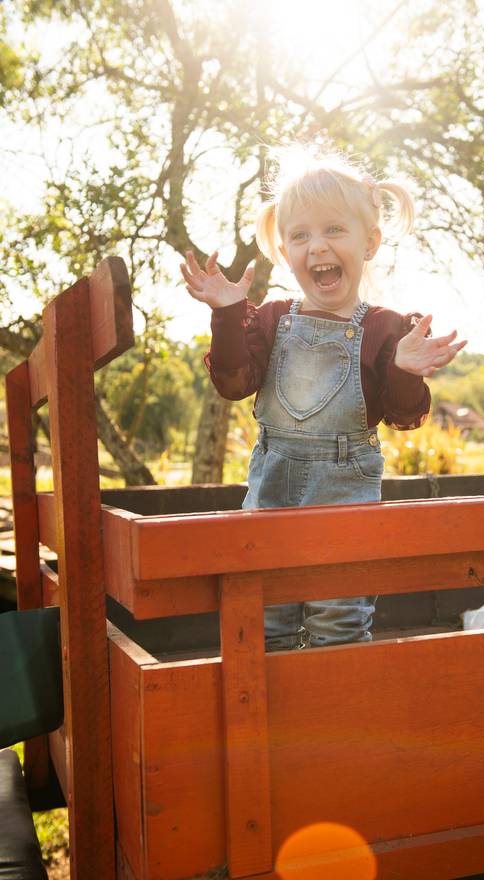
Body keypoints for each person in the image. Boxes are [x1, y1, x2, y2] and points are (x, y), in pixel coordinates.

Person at [181, 146, 466, 651]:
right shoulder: (268, 319)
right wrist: (227, 314)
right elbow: (233, 382)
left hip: (345, 503)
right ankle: (276, 727)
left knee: (339, 625)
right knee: (265, 626)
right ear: (284, 250)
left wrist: (402, 369)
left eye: (334, 230)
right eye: (301, 235)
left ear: (370, 242)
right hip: (270, 499)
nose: (317, 247)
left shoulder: (384, 330)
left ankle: (335, 718)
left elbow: (404, 414)